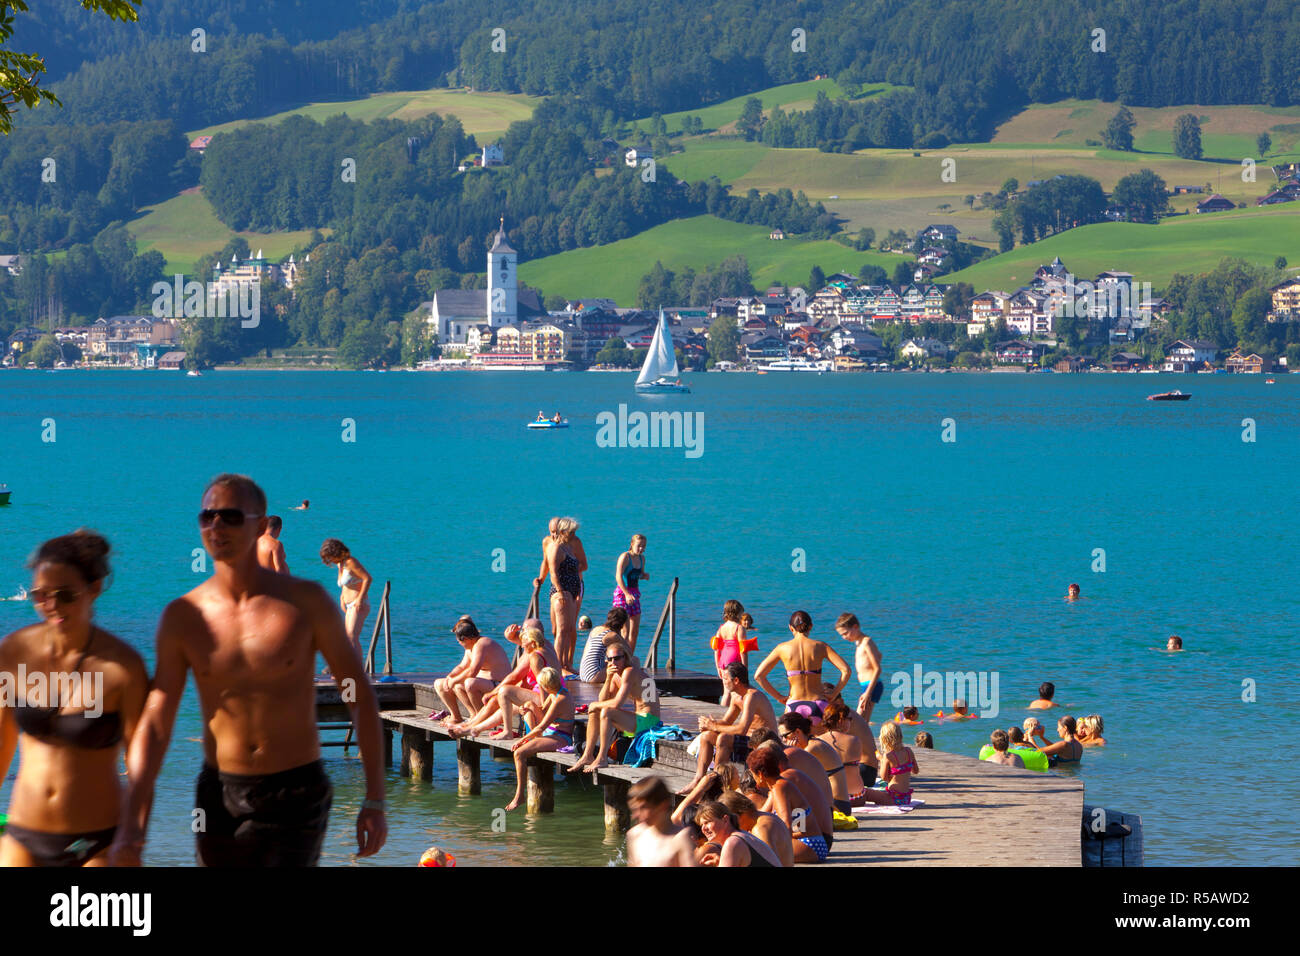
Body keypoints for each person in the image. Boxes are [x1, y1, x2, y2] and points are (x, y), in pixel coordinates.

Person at [113, 474, 387, 866]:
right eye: (207, 516)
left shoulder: (307, 603)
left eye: (230, 516)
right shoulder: (184, 615)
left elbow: (359, 696)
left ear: (260, 527)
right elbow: (157, 721)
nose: (216, 526)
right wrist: (133, 821)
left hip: (296, 789)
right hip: (218, 792)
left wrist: (375, 797)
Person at [0, 531, 149, 867]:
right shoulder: (13, 652)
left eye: (65, 595)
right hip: (24, 832)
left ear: (93, 588)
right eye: (40, 595)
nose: (51, 606)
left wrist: (132, 838)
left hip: (95, 840)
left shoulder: (123, 666)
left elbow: (141, 766)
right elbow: (2, 740)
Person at [446, 620, 558, 738]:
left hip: (545, 698)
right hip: (540, 694)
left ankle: (507, 731)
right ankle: (472, 728)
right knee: (496, 700)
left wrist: (545, 711)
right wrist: (509, 635)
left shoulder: (535, 655)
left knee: (505, 691)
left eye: (523, 633)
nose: (521, 638)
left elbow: (538, 683)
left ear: (531, 637)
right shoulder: (544, 645)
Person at [678, 662, 776, 794]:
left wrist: (714, 726)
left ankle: (717, 783)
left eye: (725, 678)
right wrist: (709, 724)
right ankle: (698, 779)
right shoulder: (736, 696)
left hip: (763, 743)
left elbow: (741, 729)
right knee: (707, 736)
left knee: (724, 738)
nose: (722, 682)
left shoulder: (751, 696)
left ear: (736, 680)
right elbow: (726, 721)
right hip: (747, 740)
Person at [567, 639, 660, 774]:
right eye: (609, 659)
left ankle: (602, 758)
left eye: (617, 658)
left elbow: (617, 703)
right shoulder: (615, 674)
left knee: (606, 711)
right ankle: (587, 755)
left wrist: (594, 705)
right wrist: (609, 678)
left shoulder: (630, 671)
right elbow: (603, 699)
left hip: (650, 721)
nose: (613, 663)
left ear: (625, 658)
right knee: (595, 711)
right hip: (637, 719)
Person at [753, 610, 851, 726]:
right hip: (818, 704)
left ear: (791, 628)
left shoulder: (782, 648)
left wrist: (779, 697)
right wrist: (834, 694)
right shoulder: (820, 646)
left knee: (791, 743)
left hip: (794, 703)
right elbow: (846, 670)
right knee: (821, 743)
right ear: (811, 626)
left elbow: (758, 676)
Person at [746, 744, 832, 864]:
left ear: (760, 774)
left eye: (753, 774)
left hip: (810, 844)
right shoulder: (780, 785)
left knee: (752, 849)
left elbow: (785, 826)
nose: (753, 778)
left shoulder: (779, 788)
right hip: (813, 842)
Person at [503, 668, 573, 812]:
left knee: (519, 753)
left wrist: (523, 740)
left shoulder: (560, 699)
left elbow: (541, 728)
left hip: (561, 737)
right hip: (551, 732)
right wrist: (526, 707)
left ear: (546, 686)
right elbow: (541, 709)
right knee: (529, 705)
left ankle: (519, 795)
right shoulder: (555, 693)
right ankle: (531, 742)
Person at [431, 617, 511, 723]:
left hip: (499, 685)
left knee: (467, 683)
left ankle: (480, 717)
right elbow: (462, 666)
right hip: (484, 683)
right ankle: (459, 716)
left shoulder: (482, 644)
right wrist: (450, 677)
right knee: (440, 683)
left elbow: (473, 671)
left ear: (466, 639)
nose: (459, 643)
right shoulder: (471, 647)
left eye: (459, 641)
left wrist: (454, 680)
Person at [780, 712, 853, 815]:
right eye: (781, 736)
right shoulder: (812, 743)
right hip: (838, 804)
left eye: (785, 736)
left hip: (836, 807)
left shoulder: (812, 748)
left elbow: (791, 775)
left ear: (797, 732)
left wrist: (792, 750)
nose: (783, 740)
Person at [319, 538, 372, 668]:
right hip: (349, 605)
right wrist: (342, 598)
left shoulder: (351, 562)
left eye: (330, 557)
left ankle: (356, 670)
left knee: (351, 636)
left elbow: (367, 578)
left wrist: (359, 599)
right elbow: (344, 584)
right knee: (348, 637)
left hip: (358, 603)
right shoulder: (340, 565)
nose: (330, 560)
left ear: (336, 552)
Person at [539, 518, 582, 676]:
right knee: (562, 630)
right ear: (564, 532)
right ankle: (557, 666)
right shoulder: (556, 548)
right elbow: (553, 572)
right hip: (561, 593)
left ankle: (565, 663)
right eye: (571, 532)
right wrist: (560, 590)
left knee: (570, 628)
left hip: (571, 591)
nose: (574, 535)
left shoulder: (568, 547)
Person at [626, 776, 698, 867]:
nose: (636, 815)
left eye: (644, 808)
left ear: (663, 805)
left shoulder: (681, 838)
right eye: (634, 809)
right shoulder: (634, 835)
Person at [694, 800, 782, 867]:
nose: (703, 829)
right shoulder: (741, 835)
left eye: (707, 822)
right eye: (701, 825)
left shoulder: (733, 842)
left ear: (725, 820)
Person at [718, 790, 794, 867]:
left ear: (737, 817)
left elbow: (769, 864)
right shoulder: (766, 816)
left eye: (729, 822)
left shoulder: (760, 829)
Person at [855, 721, 918, 807]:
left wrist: (881, 760)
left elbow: (884, 777)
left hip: (893, 798)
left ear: (884, 739)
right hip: (906, 797)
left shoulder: (888, 756)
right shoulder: (908, 751)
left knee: (865, 792)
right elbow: (915, 770)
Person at [835, 612, 882, 724]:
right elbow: (879, 655)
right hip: (867, 685)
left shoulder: (866, 642)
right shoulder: (860, 643)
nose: (844, 637)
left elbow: (877, 669)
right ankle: (864, 741)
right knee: (863, 722)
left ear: (855, 627)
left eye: (845, 633)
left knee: (856, 722)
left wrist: (868, 693)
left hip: (870, 686)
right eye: (841, 635)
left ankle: (861, 741)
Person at [817, 701, 865, 811]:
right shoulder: (855, 740)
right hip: (856, 796)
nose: (851, 722)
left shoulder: (818, 742)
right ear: (841, 720)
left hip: (829, 797)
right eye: (849, 719)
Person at [710, 600, 754, 701]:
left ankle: (723, 713)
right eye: (741, 613)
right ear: (737, 613)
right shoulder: (739, 628)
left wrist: (718, 666)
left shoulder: (721, 628)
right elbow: (743, 650)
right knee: (739, 691)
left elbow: (716, 648)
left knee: (726, 692)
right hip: (735, 659)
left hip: (723, 660)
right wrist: (745, 668)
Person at [612, 534, 649, 653]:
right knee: (625, 631)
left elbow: (639, 575)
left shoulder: (642, 559)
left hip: (635, 594)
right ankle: (620, 657)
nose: (641, 549)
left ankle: (629, 657)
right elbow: (618, 576)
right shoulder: (625, 557)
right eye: (639, 546)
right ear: (632, 544)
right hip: (623, 594)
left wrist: (644, 576)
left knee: (634, 632)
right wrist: (627, 594)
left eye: (643, 546)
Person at [577, 608, 629, 683]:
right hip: (593, 676)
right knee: (631, 661)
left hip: (583, 674)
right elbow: (628, 652)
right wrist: (626, 630)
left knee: (610, 661)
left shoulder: (596, 629)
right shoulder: (612, 635)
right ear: (621, 624)